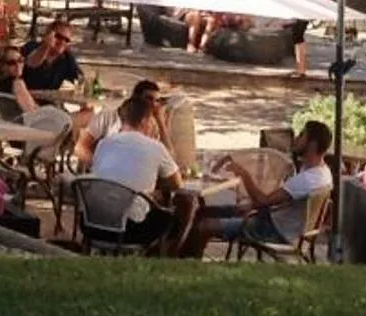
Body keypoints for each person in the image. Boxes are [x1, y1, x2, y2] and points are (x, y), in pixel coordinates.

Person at [197, 119, 336, 257]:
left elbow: (262, 200)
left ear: (312, 144)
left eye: (301, 136)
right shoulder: (323, 173)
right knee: (205, 211)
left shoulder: (306, 180)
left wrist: (243, 174)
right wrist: (255, 208)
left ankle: (190, 264)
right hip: (282, 225)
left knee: (205, 225)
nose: (296, 139)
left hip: (275, 232)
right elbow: (273, 203)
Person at [87, 93, 191, 255]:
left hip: (92, 224)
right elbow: (178, 185)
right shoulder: (155, 147)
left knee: (147, 205)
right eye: (151, 121)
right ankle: (164, 258)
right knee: (178, 210)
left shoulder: (103, 144)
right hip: (129, 230)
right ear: (144, 122)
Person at [17, 19, 84, 93]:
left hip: (47, 102)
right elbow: (31, 63)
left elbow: (80, 78)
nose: (62, 42)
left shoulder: (66, 58)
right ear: (47, 35)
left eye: (66, 40)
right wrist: (46, 46)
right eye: (58, 36)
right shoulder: (32, 46)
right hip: (20, 98)